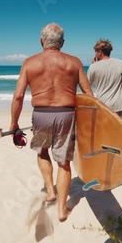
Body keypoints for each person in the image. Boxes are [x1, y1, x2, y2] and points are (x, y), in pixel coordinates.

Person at [9, 23, 93, 222]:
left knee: (42, 151)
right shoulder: (74, 62)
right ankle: (62, 210)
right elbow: (89, 94)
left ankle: (50, 192)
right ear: (62, 43)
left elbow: (19, 96)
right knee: (64, 163)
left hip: (40, 116)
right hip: (67, 115)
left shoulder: (30, 63)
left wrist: (14, 124)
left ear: (41, 41)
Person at [87, 39, 122, 120]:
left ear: (100, 52)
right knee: (118, 131)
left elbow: (87, 86)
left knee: (103, 131)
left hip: (103, 105)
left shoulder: (93, 67)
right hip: (118, 106)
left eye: (95, 52)